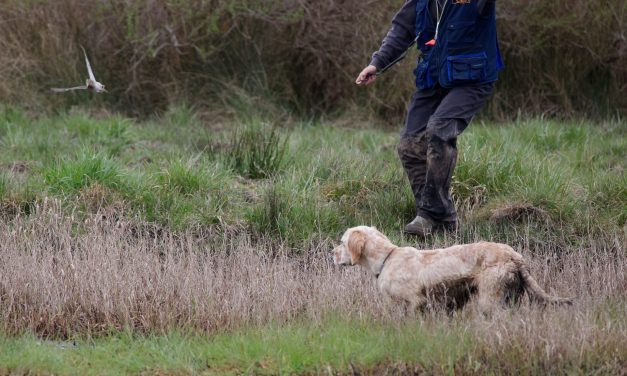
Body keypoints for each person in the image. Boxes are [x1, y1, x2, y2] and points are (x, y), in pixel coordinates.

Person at [356, 0, 503, 236]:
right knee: (409, 146)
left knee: (439, 130)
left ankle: (429, 215)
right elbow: (402, 29)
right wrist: (377, 63)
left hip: (473, 79)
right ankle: (441, 220)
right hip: (431, 78)